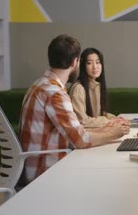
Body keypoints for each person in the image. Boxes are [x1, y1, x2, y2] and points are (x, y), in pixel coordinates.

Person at [19, 34, 130, 183]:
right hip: (46, 171)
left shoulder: (39, 84)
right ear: (75, 62)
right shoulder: (54, 93)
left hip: (35, 165)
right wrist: (112, 134)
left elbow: (76, 131)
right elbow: (80, 140)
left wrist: (109, 128)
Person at [69, 48, 130, 129]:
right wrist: (109, 122)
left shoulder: (97, 85)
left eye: (98, 62)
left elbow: (98, 114)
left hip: (96, 133)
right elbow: (82, 121)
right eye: (89, 63)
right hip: (85, 137)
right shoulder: (78, 88)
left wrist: (114, 118)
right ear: (83, 65)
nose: (95, 67)